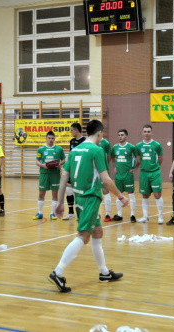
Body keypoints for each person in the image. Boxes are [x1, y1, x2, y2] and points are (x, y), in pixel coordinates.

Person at [48, 120, 129, 293]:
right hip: (90, 198)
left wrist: (60, 202)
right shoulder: (97, 150)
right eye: (102, 134)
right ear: (99, 133)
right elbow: (106, 180)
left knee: (97, 232)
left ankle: (104, 272)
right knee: (83, 236)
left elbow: (64, 177)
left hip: (79, 198)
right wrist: (121, 197)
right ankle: (58, 272)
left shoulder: (75, 150)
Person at [33, 131, 66, 220]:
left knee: (55, 193)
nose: (51, 140)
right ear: (46, 138)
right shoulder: (41, 149)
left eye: (52, 138)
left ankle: (53, 213)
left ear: (54, 139)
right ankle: (40, 213)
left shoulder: (59, 149)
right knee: (41, 193)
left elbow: (63, 160)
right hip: (44, 173)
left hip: (55, 173)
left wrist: (59, 164)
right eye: (49, 138)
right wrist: (43, 165)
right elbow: (37, 161)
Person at [135, 125, 164, 224]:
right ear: (142, 133)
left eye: (148, 131)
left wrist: (155, 167)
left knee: (157, 195)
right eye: (145, 131)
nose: (147, 133)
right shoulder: (138, 146)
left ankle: (160, 216)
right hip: (144, 173)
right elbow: (138, 159)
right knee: (145, 195)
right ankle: (145, 216)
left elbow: (160, 158)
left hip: (155, 173)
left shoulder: (157, 145)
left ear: (151, 133)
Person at [110, 129, 137, 222]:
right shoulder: (115, 147)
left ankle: (132, 215)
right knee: (118, 195)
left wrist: (135, 168)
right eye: (119, 135)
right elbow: (112, 157)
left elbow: (138, 159)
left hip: (128, 175)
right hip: (118, 175)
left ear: (126, 136)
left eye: (122, 135)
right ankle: (119, 214)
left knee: (131, 195)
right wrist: (114, 167)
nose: (120, 136)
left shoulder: (131, 147)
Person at [62, 123, 86, 220]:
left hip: (82, 169)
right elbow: (71, 155)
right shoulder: (72, 141)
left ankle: (84, 212)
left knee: (81, 191)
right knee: (68, 190)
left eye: (72, 130)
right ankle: (71, 212)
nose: (71, 132)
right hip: (73, 169)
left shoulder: (85, 141)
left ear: (76, 130)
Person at [99, 137, 113, 222]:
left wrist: (103, 166)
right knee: (94, 191)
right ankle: (96, 214)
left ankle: (107, 214)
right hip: (93, 170)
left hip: (103, 169)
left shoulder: (106, 143)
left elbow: (109, 157)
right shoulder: (90, 142)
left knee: (105, 191)